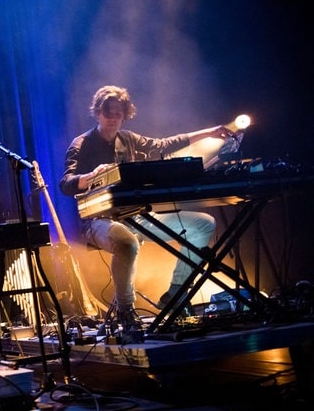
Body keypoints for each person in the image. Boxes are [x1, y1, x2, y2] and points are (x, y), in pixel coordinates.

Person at [58, 85, 233, 344]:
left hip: (136, 216)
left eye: (119, 112)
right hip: (99, 221)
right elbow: (66, 183)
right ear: (97, 113)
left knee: (203, 225)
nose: (113, 117)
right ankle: (125, 311)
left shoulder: (129, 139)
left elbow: (165, 144)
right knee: (127, 243)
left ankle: (175, 295)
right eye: (108, 112)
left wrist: (209, 132)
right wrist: (90, 177)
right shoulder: (82, 143)